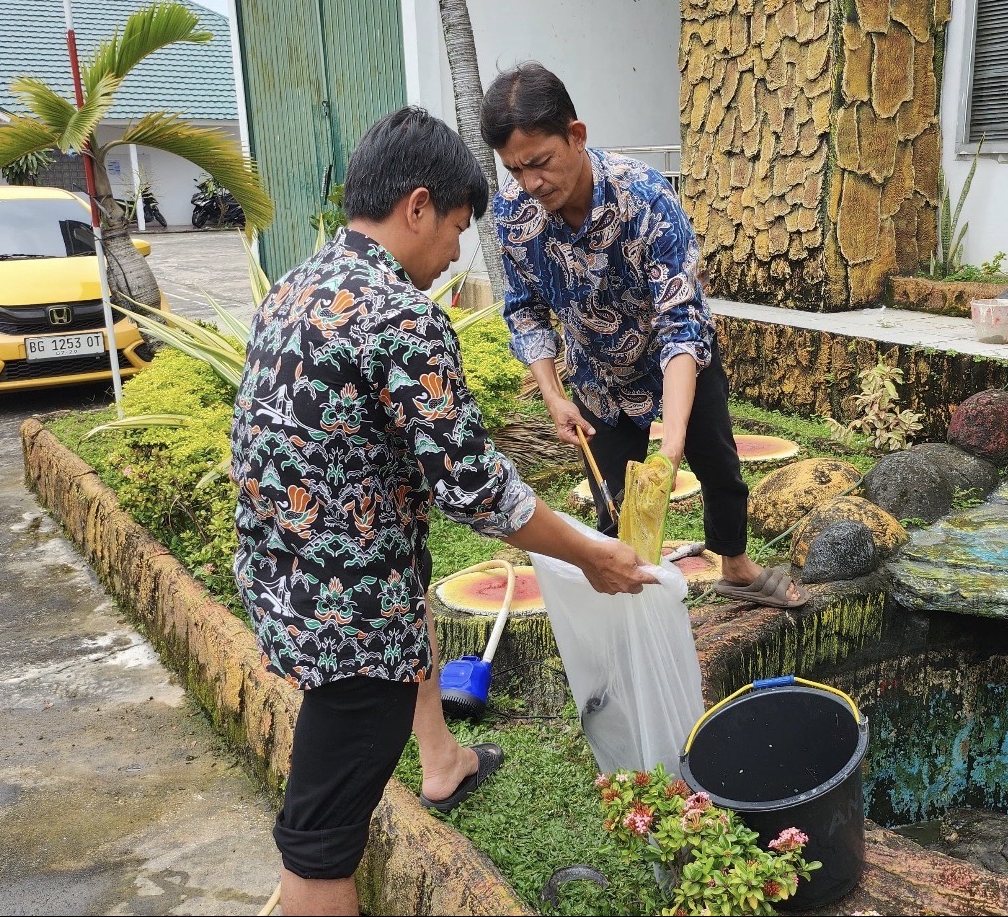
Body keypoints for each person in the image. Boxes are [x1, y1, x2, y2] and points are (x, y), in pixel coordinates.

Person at [229, 106, 656, 916]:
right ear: (418, 206)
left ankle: (443, 760)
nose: (457, 254)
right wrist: (592, 553)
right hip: (353, 633)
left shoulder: (297, 284)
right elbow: (477, 489)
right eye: (458, 229)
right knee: (318, 845)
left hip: (287, 589)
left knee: (404, 620)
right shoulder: (402, 315)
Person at [479, 61, 808, 610]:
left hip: (676, 360)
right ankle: (630, 602)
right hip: (597, 373)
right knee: (613, 498)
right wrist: (554, 394)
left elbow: (681, 321)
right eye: (515, 170)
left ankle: (735, 564)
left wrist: (672, 442)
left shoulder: (646, 198)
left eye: (540, 163)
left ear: (576, 135)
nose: (530, 183)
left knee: (719, 466)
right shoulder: (515, 215)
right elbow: (525, 311)